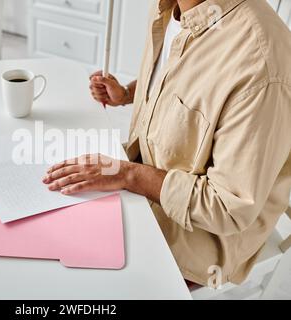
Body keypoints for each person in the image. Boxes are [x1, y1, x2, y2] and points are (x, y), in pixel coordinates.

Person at [43, 0, 291, 286]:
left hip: (201, 238)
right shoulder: (168, 8)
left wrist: (129, 175)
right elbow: (179, 77)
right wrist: (126, 93)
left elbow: (227, 208)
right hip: (143, 178)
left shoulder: (261, 62)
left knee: (78, 283)